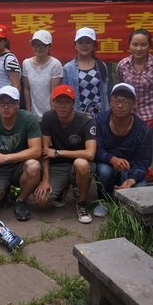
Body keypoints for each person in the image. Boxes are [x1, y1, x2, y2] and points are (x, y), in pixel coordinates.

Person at [34, 85, 97, 224]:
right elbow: (45, 150)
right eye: (58, 101)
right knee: (41, 200)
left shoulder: (86, 121)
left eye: (67, 102)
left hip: (79, 164)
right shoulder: (48, 117)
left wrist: (58, 153)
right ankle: (63, 189)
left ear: (73, 103)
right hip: (58, 166)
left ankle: (82, 203)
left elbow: (90, 154)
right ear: (53, 102)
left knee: (81, 164)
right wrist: (45, 179)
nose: (62, 106)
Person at [0, 86, 41, 221]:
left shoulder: (29, 119)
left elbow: (36, 150)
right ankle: (6, 191)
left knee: (34, 166)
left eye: (10, 103)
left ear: (18, 104)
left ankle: (21, 200)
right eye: (2, 103)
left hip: (20, 165)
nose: (6, 107)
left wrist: (7, 157)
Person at [92, 83, 152, 217]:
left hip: (130, 168)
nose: (120, 106)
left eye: (125, 102)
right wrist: (111, 159)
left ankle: (125, 200)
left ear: (134, 104)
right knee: (104, 171)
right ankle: (104, 200)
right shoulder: (98, 120)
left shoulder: (143, 130)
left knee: (141, 188)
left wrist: (132, 178)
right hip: (106, 164)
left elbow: (144, 160)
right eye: (116, 101)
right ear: (110, 102)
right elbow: (94, 149)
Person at [116, 28, 153, 183]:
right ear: (129, 45)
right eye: (135, 44)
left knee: (136, 140)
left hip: (148, 112)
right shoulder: (122, 65)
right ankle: (141, 172)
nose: (139, 49)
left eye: (143, 45)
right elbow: (121, 87)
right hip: (127, 112)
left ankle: (141, 172)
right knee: (128, 142)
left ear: (150, 46)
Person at [62, 27, 111, 116]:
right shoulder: (68, 68)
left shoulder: (102, 66)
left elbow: (105, 95)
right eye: (80, 42)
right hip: (78, 116)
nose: (84, 45)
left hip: (99, 116)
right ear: (75, 45)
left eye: (88, 42)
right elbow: (66, 95)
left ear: (94, 45)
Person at [22, 30, 63, 120]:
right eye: (36, 45)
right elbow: (27, 89)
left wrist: (52, 115)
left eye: (43, 45)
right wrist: (28, 113)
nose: (39, 48)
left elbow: (53, 92)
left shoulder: (55, 64)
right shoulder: (26, 63)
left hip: (49, 115)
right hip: (33, 115)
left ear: (50, 46)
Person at [0, 24, 21, 112]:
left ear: (5, 41)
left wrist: (11, 106)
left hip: (6, 106)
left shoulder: (9, 59)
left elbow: (16, 86)